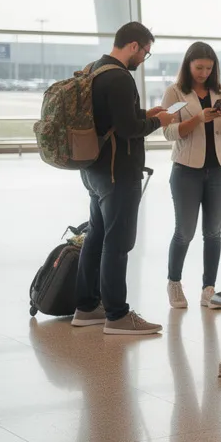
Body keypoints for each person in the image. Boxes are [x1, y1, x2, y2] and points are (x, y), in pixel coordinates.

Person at [70, 22, 178, 336]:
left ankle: (86, 307)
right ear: (133, 46)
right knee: (117, 244)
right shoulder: (119, 77)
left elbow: (116, 119)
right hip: (118, 172)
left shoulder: (95, 69)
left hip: (94, 169)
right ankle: (117, 315)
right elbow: (129, 130)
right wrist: (159, 120)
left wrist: (146, 113)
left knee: (96, 237)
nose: (144, 57)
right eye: (145, 51)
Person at [161, 42, 221, 310]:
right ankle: (174, 282)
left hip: (220, 169)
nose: (204, 72)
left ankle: (209, 289)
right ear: (188, 65)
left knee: (213, 233)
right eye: (199, 67)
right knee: (184, 232)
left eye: (209, 67)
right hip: (186, 171)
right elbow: (168, 132)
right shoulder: (174, 93)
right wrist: (198, 119)